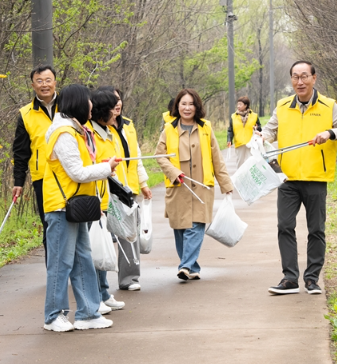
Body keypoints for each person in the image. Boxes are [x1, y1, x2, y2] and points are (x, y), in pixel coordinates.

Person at [262, 61, 337, 295]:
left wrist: (329, 132)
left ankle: (312, 279)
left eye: (304, 76)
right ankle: (290, 279)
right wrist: (259, 137)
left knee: (316, 230)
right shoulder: (283, 106)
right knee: (285, 226)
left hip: (316, 178)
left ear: (314, 78)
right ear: (291, 80)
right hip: (288, 180)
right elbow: (269, 131)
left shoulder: (329, 106)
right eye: (295, 77)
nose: (300, 82)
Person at [42, 84, 120, 332]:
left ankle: (88, 313)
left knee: (82, 260)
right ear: (77, 103)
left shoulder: (76, 130)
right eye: (88, 101)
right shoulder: (63, 133)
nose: (91, 106)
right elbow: (76, 172)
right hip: (61, 207)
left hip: (75, 206)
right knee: (61, 263)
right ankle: (54, 316)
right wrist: (106, 169)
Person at [155, 88, 233, 281]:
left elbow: (217, 158)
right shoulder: (169, 129)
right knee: (180, 229)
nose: (187, 108)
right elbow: (159, 155)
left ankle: (185, 265)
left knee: (195, 226)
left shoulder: (206, 128)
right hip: (178, 186)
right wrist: (173, 173)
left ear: (197, 106)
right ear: (177, 106)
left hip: (201, 186)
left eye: (191, 104)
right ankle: (193, 267)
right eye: (183, 104)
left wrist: (226, 184)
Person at [99, 86, 153, 291]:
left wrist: (144, 183)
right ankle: (100, 281)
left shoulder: (128, 125)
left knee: (129, 234)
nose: (118, 103)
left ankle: (129, 278)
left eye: (119, 99)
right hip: (106, 186)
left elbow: (136, 157)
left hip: (126, 188)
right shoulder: (99, 127)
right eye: (113, 101)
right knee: (104, 234)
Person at [87, 90, 129, 314]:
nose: (117, 111)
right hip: (93, 199)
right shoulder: (90, 134)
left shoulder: (110, 131)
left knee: (104, 246)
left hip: (106, 197)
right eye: (114, 108)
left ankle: (103, 292)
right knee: (95, 249)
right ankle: (96, 296)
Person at [12, 65, 57, 263]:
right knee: (49, 224)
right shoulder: (26, 114)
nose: (44, 85)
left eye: (48, 80)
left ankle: (74, 270)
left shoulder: (69, 106)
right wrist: (18, 181)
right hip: (43, 178)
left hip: (72, 174)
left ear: (55, 82)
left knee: (74, 222)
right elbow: (21, 152)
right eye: (39, 81)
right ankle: (53, 272)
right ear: (33, 85)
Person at [227, 96, 262, 168]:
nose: (238, 106)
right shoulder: (233, 116)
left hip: (251, 143)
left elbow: (259, 128)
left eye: (240, 104)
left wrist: (257, 128)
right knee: (240, 163)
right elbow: (230, 130)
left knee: (251, 162)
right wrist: (229, 140)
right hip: (239, 143)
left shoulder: (254, 116)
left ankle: (250, 178)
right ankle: (240, 178)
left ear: (246, 105)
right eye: (238, 104)